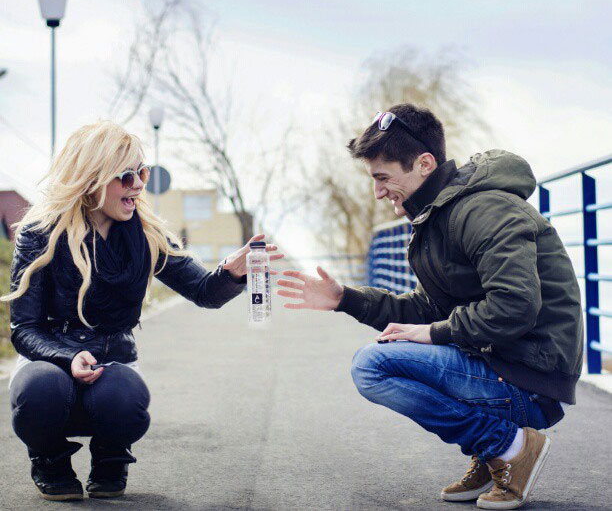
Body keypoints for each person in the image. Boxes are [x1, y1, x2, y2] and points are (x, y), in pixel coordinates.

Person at [277, 103, 582, 510]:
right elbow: (426, 308)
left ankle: (508, 446)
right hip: (502, 362)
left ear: (424, 164)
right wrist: (345, 299)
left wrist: (435, 333)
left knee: (371, 366)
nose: (378, 192)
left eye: (383, 177)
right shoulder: (436, 218)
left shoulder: (484, 210)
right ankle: (493, 452)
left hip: (531, 379)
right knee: (383, 355)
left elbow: (514, 304)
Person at [1, 120, 283, 502]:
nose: (137, 184)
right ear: (91, 179)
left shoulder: (147, 234)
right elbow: (24, 328)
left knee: (125, 398)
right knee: (39, 389)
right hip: (50, 363)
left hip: (112, 361)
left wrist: (231, 273)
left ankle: (110, 460)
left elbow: (204, 292)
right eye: (125, 176)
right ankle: (50, 462)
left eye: (142, 173)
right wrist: (67, 357)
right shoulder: (40, 233)